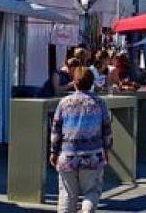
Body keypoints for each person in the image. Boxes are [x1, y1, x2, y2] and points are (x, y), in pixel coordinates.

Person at [50, 67, 113, 213]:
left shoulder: (64, 102)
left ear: (75, 83)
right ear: (91, 83)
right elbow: (106, 129)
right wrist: (107, 149)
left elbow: (56, 130)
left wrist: (53, 151)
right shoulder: (99, 103)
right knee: (92, 191)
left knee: (67, 195)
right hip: (93, 155)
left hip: (68, 155)